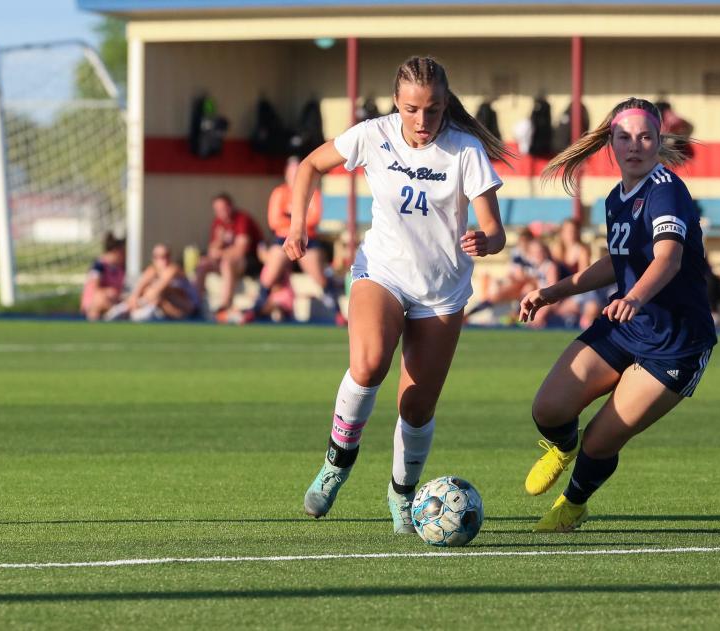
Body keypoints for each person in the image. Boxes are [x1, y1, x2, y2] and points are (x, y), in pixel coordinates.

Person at [285, 56, 512, 533]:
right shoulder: (373, 134)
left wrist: (487, 241)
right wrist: (296, 226)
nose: (422, 121)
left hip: (442, 291)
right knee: (369, 364)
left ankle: (402, 495)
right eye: (412, 109)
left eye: (432, 110)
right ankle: (336, 464)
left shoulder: (465, 150)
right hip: (381, 273)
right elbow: (309, 166)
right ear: (396, 102)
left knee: (416, 407)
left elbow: (495, 228)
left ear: (445, 104)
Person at [518, 97, 717, 532]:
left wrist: (636, 297)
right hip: (626, 327)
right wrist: (554, 292)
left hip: (675, 344)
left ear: (659, 140)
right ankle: (560, 446)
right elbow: (616, 259)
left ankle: (572, 504)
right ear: (610, 142)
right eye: (624, 137)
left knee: (602, 438)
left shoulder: (667, 189)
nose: (635, 145)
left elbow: (668, 258)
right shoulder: (615, 198)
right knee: (549, 408)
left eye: (645, 136)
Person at [251, 156, 338, 322]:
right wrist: (297, 222)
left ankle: (338, 312)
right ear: (286, 175)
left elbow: (314, 218)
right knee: (270, 273)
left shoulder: (314, 193)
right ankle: (257, 308)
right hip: (283, 239)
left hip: (308, 240)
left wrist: (290, 219)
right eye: (292, 173)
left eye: (299, 173)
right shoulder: (279, 192)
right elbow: (274, 221)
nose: (295, 177)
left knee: (319, 276)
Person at [193, 193, 264, 321]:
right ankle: (195, 304)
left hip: (250, 261)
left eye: (224, 208)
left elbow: (240, 250)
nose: (221, 212)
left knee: (227, 262)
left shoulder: (242, 219)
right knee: (203, 264)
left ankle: (225, 305)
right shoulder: (218, 223)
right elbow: (211, 251)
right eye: (217, 209)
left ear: (231, 206)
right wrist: (219, 242)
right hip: (227, 260)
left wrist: (219, 253)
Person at [106, 243, 197, 321]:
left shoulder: (173, 269)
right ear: (154, 259)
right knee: (150, 291)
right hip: (162, 306)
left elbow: (158, 289)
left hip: (187, 309)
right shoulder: (152, 270)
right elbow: (138, 290)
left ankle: (132, 312)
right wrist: (134, 299)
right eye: (158, 257)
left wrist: (139, 303)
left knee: (161, 292)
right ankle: (127, 310)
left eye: (166, 256)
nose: (163, 260)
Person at [80, 232, 125, 321]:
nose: (124, 256)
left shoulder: (121, 267)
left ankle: (115, 313)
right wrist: (108, 292)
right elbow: (94, 287)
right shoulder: (98, 266)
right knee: (100, 298)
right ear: (115, 252)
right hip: (95, 302)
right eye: (122, 253)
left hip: (114, 301)